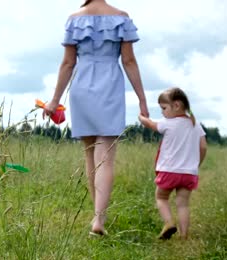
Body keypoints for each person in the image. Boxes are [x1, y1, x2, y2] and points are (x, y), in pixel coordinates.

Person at [43, 0, 149, 236]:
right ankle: (99, 219)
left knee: (90, 154)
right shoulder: (121, 17)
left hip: (82, 84)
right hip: (110, 82)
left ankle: (97, 216)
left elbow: (68, 63)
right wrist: (142, 98)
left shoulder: (74, 19)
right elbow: (129, 61)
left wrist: (54, 100)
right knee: (106, 157)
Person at [138, 87, 207, 240]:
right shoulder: (195, 125)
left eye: (164, 108)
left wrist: (142, 118)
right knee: (183, 204)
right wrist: (196, 165)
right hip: (189, 173)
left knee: (161, 197)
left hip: (169, 171)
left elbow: (150, 124)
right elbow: (203, 147)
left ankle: (169, 223)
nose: (162, 112)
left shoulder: (168, 123)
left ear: (176, 106)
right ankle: (184, 237)